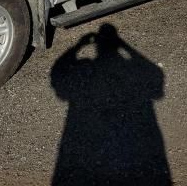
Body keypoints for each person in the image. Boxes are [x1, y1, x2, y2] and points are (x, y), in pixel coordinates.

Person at [51, 23, 171, 185]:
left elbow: (58, 74)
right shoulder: (126, 70)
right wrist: (122, 44)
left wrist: (78, 46)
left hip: (86, 131)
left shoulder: (87, 71)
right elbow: (153, 75)